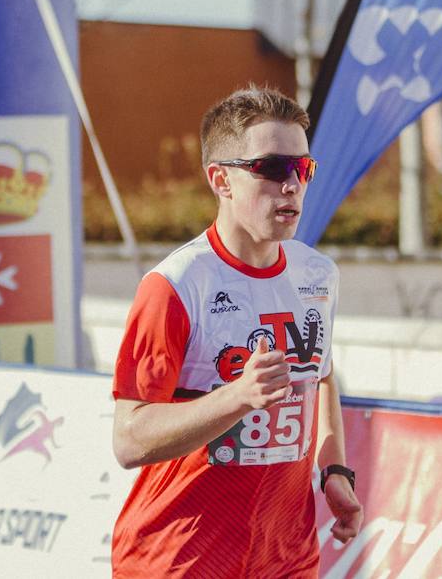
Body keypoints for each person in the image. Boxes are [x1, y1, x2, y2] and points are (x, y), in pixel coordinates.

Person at [110, 85, 363, 577]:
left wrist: (333, 469)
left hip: (285, 557)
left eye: (303, 169)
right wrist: (238, 397)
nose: (292, 185)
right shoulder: (175, 286)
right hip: (182, 559)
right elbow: (129, 439)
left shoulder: (317, 275)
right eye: (271, 168)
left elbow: (321, 375)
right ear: (221, 180)